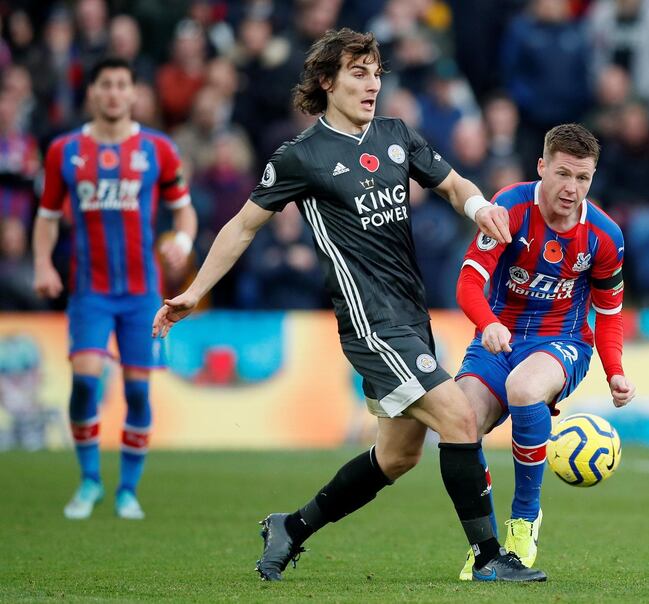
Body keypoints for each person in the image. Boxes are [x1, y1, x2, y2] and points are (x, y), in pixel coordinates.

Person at [152, 28, 544, 583]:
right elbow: (242, 227)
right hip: (370, 323)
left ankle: (290, 527)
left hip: (411, 317)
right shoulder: (302, 156)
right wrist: (195, 290)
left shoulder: (395, 135)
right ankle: (488, 558)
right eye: (359, 73)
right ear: (326, 81)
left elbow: (454, 185)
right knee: (458, 418)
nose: (372, 84)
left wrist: (479, 207)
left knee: (397, 457)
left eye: (377, 72)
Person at [453, 123, 636, 578]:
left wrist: (614, 369)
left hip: (563, 343)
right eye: (563, 174)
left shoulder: (604, 237)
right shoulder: (508, 208)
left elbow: (609, 312)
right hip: (498, 337)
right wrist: (488, 323)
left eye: (583, 179)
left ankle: (525, 520)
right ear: (541, 167)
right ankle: (488, 551)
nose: (572, 189)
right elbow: (469, 283)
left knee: (524, 386)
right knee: (460, 422)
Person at [33, 57, 197, 520]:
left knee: (138, 393)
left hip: (142, 293)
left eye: (122, 85)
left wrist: (182, 242)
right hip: (90, 291)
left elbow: (183, 209)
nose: (113, 93)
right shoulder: (64, 150)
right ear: (93, 93)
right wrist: (43, 264)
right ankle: (89, 481)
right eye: (105, 84)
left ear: (133, 94)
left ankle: (127, 490)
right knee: (85, 383)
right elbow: (45, 219)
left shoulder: (158, 149)